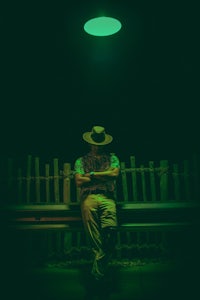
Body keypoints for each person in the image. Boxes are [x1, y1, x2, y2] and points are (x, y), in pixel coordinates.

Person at [74, 125, 120, 282]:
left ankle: (97, 274)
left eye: (100, 144)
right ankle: (99, 275)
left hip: (108, 197)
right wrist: (104, 176)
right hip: (89, 198)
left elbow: (114, 175)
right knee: (94, 238)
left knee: (111, 233)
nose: (97, 147)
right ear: (90, 143)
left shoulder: (112, 158)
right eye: (95, 144)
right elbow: (79, 181)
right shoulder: (81, 160)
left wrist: (92, 174)